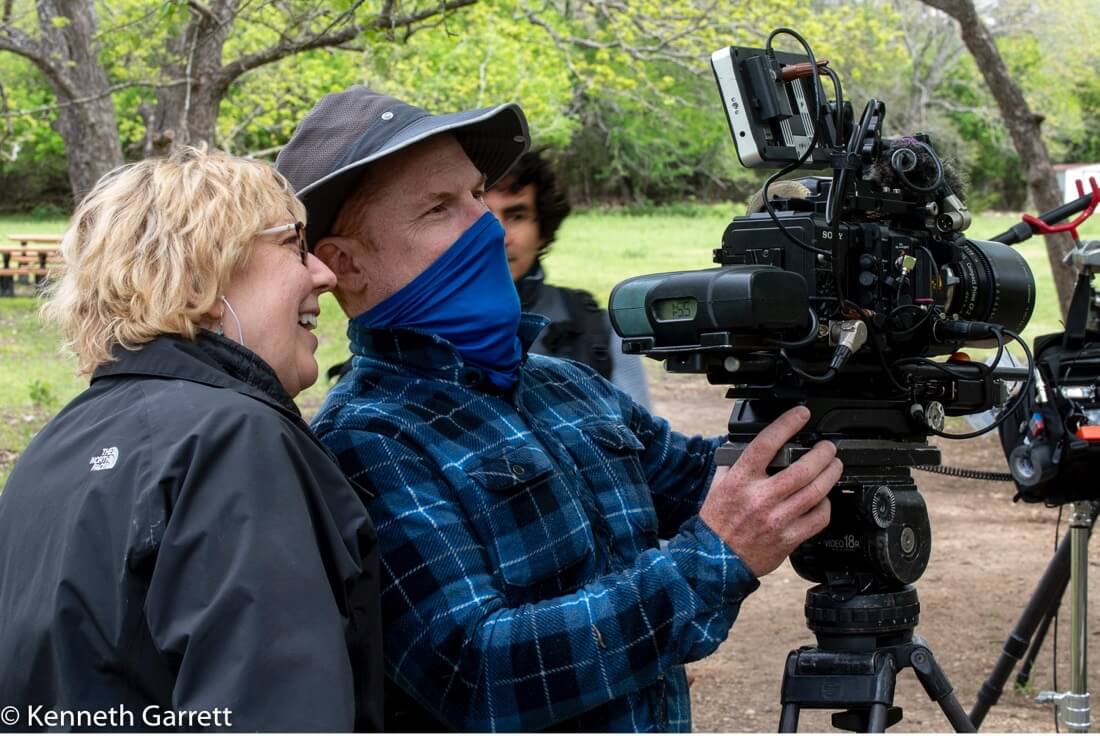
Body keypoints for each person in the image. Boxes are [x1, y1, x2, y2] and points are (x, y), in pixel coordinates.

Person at [276, 87, 840, 732]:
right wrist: (714, 558)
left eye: (476, 195)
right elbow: (477, 670)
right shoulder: (366, 440)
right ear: (343, 265)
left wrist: (837, 397)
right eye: (438, 209)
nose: (486, 227)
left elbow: (707, 478)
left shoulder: (563, 383)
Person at [0, 147, 383, 731]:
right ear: (202, 273)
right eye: (293, 245)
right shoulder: (233, 440)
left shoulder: (53, 446)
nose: (324, 275)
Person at [486, 149, 651, 407]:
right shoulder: (417, 334)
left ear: (542, 230)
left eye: (516, 216)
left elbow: (643, 442)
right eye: (482, 216)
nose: (498, 235)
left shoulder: (600, 330)